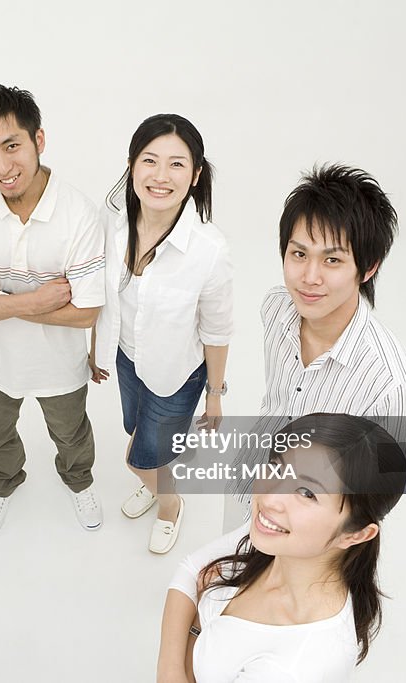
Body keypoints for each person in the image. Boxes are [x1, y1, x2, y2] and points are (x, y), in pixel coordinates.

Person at [0, 83, 106, 537]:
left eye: (12, 146)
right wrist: (31, 300)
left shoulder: (79, 214)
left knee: (71, 435)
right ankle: (3, 484)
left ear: (39, 141)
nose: (2, 167)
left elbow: (86, 313)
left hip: (61, 362)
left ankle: (78, 480)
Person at [160, 413, 406, 681]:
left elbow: (192, 581)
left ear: (356, 534)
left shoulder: (301, 664)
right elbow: (188, 571)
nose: (270, 497)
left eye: (307, 493)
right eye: (278, 468)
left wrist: (195, 623)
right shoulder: (276, 535)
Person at [90, 114, 233, 554]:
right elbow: (100, 294)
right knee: (135, 428)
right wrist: (95, 350)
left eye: (176, 164)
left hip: (177, 375)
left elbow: (217, 328)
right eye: (150, 160)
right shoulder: (112, 222)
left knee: (144, 457)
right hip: (126, 359)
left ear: (195, 175)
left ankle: (169, 502)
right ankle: (155, 487)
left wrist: (214, 394)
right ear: (132, 165)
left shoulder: (209, 250)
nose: (160, 176)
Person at [260, 164, 406, 425]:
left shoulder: (392, 386)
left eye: (332, 260)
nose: (310, 278)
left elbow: (385, 466)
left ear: (368, 268)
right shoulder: (276, 308)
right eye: (299, 254)